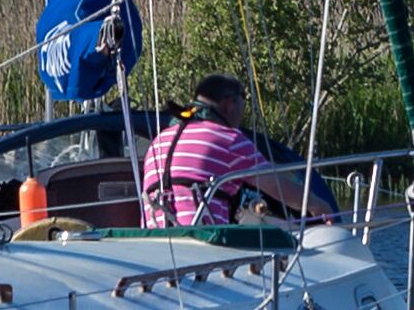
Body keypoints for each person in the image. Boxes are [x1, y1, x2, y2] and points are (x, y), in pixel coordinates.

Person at [136, 74, 318, 226]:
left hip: (152, 246)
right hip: (202, 246)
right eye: (244, 98)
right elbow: (280, 188)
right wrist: (319, 206)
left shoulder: (159, 141)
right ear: (228, 104)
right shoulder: (229, 139)